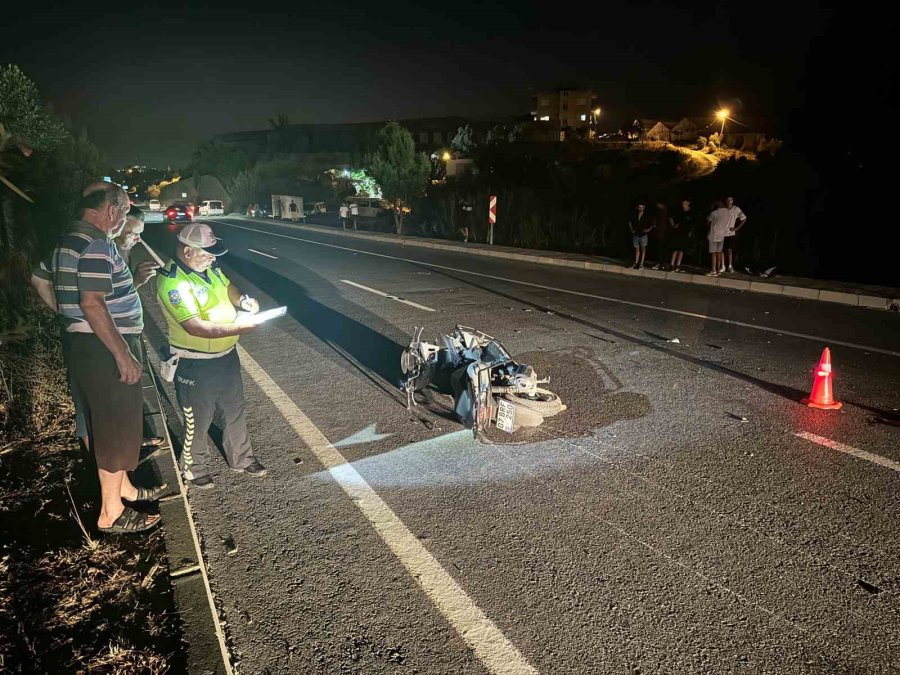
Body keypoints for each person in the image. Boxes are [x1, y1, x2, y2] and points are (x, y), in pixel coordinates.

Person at [29, 182, 163, 534]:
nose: (122, 221)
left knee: (107, 421)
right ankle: (111, 513)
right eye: (123, 211)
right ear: (112, 210)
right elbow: (92, 303)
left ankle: (126, 489)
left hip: (87, 345)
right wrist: (122, 354)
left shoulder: (68, 239)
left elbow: (37, 277)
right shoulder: (98, 243)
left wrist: (66, 313)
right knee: (115, 427)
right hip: (105, 347)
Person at [156, 223, 267, 489]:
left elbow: (228, 287)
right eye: (207, 253)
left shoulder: (210, 268)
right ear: (187, 251)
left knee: (235, 410)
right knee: (198, 418)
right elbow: (195, 327)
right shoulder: (173, 281)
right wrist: (239, 327)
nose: (213, 258)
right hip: (195, 363)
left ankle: (241, 458)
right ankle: (194, 468)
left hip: (227, 356)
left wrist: (243, 301)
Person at [721, 196, 748, 273]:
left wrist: (736, 228)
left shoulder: (736, 209)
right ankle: (722, 266)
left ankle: (730, 266)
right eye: (728, 199)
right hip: (722, 233)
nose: (729, 201)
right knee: (722, 250)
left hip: (730, 233)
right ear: (726, 201)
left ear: (732, 201)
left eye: (731, 199)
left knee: (729, 249)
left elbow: (744, 218)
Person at [669, 199, 694, 272]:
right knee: (675, 248)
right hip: (677, 232)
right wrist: (673, 225)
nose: (683, 205)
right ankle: (672, 264)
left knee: (682, 249)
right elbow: (671, 218)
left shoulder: (690, 213)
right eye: (682, 204)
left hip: (685, 233)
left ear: (688, 204)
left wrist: (690, 233)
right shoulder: (679, 212)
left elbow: (692, 224)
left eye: (684, 204)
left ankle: (678, 265)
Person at [706, 200, 730, 276]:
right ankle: (719, 269)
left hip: (713, 234)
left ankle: (713, 270)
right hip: (722, 234)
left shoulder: (714, 213)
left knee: (713, 253)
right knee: (719, 252)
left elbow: (708, 220)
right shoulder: (726, 211)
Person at [627, 202, 653, 269]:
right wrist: (632, 229)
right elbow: (630, 222)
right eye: (639, 207)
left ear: (644, 207)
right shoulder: (634, 214)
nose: (640, 208)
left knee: (643, 249)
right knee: (636, 249)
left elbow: (652, 223)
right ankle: (636, 263)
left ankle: (641, 264)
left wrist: (648, 230)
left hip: (643, 234)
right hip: (636, 233)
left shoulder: (647, 215)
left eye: (641, 207)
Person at [650, 201, 672, 270]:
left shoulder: (664, 214)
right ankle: (661, 263)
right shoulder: (660, 214)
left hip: (663, 234)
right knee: (660, 249)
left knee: (662, 250)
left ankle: (661, 263)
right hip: (660, 234)